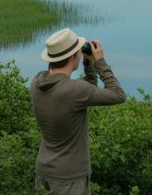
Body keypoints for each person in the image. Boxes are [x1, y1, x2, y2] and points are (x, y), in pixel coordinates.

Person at [30, 27, 126, 195]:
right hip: (69, 178)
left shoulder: (37, 83)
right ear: (73, 56)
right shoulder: (75, 91)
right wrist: (100, 63)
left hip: (43, 171)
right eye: (78, 53)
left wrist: (88, 64)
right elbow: (118, 95)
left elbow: (83, 91)